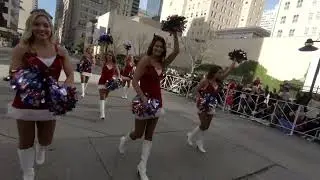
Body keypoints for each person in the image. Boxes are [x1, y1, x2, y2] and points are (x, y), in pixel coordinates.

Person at [7, 9, 74, 180]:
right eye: (37, 24)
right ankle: (28, 171)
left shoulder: (60, 51)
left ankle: (42, 148)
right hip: (26, 103)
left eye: (46, 25)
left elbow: (70, 75)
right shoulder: (22, 49)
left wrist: (63, 90)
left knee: (45, 139)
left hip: (50, 103)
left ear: (51, 28)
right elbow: (13, 72)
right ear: (30, 26)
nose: (41, 28)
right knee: (25, 141)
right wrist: (29, 87)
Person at [118, 32, 179, 180]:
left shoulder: (162, 63)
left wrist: (175, 33)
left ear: (163, 49)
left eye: (161, 47)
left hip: (157, 101)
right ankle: (124, 140)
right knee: (138, 134)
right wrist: (143, 97)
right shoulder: (146, 60)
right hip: (144, 101)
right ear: (153, 46)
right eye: (157, 46)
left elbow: (177, 51)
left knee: (150, 135)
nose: (158, 48)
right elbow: (134, 81)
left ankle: (142, 166)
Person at [187, 62, 237, 153]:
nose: (221, 74)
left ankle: (194, 138)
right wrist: (200, 99)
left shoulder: (218, 81)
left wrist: (232, 65)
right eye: (219, 72)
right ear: (213, 73)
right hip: (202, 104)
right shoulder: (205, 81)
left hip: (212, 104)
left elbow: (227, 73)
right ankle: (196, 140)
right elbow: (196, 90)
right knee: (203, 124)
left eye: (221, 73)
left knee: (206, 126)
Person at [97, 51, 120, 120]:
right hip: (102, 81)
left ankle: (102, 108)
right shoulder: (103, 63)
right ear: (106, 56)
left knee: (106, 95)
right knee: (102, 96)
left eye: (110, 55)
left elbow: (118, 74)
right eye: (108, 55)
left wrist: (117, 79)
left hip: (110, 83)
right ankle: (102, 114)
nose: (109, 56)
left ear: (112, 56)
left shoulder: (115, 64)